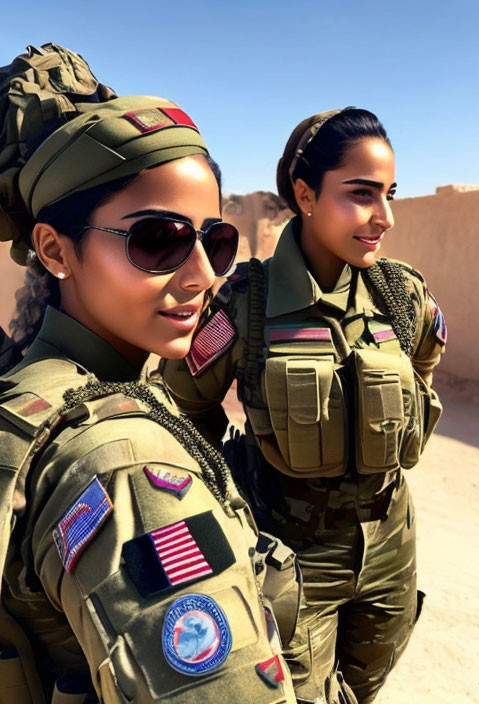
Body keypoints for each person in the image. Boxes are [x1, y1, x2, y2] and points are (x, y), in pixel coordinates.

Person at [0, 44, 303, 703]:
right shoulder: (122, 462)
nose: (201, 276)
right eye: (157, 240)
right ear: (56, 250)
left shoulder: (31, 385)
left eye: (214, 241)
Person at [160, 108, 445, 703]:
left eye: (389, 195)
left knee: (363, 690)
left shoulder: (401, 294)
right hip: (292, 561)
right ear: (305, 194)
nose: (384, 217)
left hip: (390, 548)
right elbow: (186, 411)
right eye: (362, 194)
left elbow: (421, 373)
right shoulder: (248, 302)